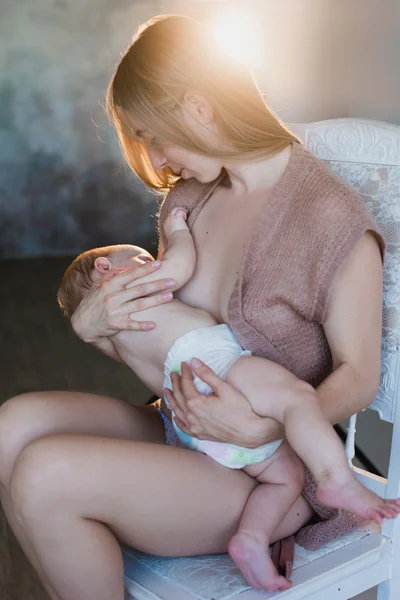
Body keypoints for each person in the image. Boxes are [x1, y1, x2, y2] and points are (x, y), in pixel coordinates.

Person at [0, 14, 386, 600]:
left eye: (154, 135)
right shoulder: (192, 200)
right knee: (12, 427)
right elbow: (167, 345)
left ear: (199, 108)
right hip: (182, 427)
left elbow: (360, 374)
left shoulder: (329, 219)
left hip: (266, 468)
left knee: (45, 474)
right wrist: (95, 327)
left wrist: (265, 422)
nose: (155, 159)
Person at [57, 212, 399, 592]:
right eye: (140, 259)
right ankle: (334, 479)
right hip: (212, 366)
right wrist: (176, 232)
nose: (150, 264)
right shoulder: (135, 287)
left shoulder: (113, 338)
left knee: (282, 477)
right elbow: (179, 266)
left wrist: (87, 329)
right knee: (297, 400)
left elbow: (100, 337)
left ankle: (251, 538)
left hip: (191, 426)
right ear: (107, 270)